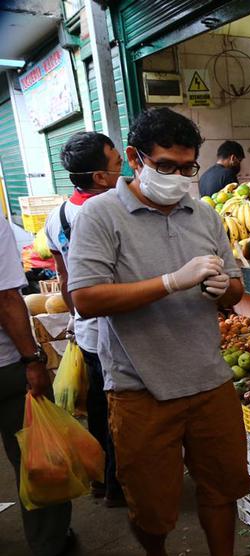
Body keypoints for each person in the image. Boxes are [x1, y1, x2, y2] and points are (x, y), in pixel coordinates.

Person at [67, 107, 250, 556]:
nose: (179, 177)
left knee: (222, 487)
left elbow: (236, 288)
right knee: (151, 501)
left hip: (208, 378)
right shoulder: (100, 216)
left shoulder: (203, 215)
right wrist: (169, 283)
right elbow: (85, 299)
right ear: (135, 159)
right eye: (166, 166)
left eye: (187, 167)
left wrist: (225, 289)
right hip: (140, 386)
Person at [45, 131, 126, 507]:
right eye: (117, 163)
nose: (123, 169)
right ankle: (118, 486)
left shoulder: (58, 215)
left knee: (97, 406)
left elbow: (63, 278)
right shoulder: (111, 212)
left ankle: (99, 479)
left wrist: (76, 317)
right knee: (120, 409)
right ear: (99, 177)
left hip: (87, 329)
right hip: (117, 329)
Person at [0, 218, 76, 556]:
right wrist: (32, 359)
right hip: (5, 368)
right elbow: (5, 299)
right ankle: (49, 544)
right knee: (34, 455)